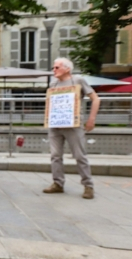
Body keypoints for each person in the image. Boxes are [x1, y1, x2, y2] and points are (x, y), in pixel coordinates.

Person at [43, 57, 99, 199]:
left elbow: (96, 99)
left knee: (80, 155)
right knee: (55, 155)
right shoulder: (53, 83)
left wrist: (91, 119)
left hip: (73, 125)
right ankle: (58, 183)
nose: (53, 70)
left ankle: (88, 185)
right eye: (53, 67)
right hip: (56, 124)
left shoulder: (78, 80)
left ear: (67, 68)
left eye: (56, 67)